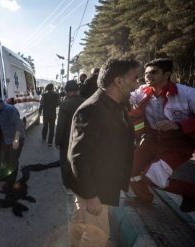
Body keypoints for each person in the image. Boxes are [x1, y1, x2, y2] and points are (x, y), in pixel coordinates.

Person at [68, 58, 140, 246]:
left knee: (80, 223)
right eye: (135, 79)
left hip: (101, 183)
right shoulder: (93, 109)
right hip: (95, 187)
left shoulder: (116, 104)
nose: (137, 84)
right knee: (97, 236)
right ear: (118, 81)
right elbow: (79, 157)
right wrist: (91, 196)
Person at [129, 58, 195, 212]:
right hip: (151, 140)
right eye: (146, 73)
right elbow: (124, 97)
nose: (148, 76)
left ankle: (191, 192)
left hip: (178, 145)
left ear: (167, 74)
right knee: (128, 168)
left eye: (154, 72)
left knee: (152, 177)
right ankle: (143, 198)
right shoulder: (141, 91)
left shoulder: (187, 94)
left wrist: (178, 125)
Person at [0, 96, 25, 193]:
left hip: (16, 139)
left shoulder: (9, 109)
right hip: (7, 139)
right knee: (5, 159)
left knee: (13, 161)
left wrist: (16, 140)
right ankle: (3, 176)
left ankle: (11, 182)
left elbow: (18, 125)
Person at [55, 80, 84, 195]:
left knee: (65, 162)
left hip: (68, 139)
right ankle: (78, 184)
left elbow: (61, 125)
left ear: (67, 92)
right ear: (78, 91)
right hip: (83, 138)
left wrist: (58, 141)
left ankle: (67, 186)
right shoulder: (86, 102)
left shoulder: (65, 105)